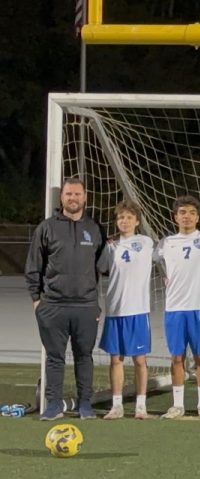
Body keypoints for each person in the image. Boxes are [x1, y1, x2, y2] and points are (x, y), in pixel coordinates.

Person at [26, 177, 106, 421]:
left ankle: (85, 404)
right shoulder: (47, 227)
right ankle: (53, 405)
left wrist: (94, 303)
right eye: (69, 194)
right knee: (54, 357)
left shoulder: (94, 228)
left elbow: (101, 267)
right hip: (53, 305)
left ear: (85, 197)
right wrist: (36, 300)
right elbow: (33, 266)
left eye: (77, 194)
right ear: (62, 197)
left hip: (85, 306)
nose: (73, 198)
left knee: (84, 356)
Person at [155, 195, 200, 420]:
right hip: (174, 309)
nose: (187, 216)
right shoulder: (166, 243)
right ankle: (178, 405)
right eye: (182, 212)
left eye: (191, 212)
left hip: (199, 308)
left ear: (198, 217)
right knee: (176, 357)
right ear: (175, 217)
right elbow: (152, 261)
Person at [99, 201, 155, 420]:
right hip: (115, 310)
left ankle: (141, 407)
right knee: (116, 359)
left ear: (137, 221)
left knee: (140, 360)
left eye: (129, 217)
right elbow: (101, 269)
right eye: (121, 217)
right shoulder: (110, 246)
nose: (124, 221)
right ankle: (117, 406)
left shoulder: (146, 242)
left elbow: (166, 257)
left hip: (138, 310)